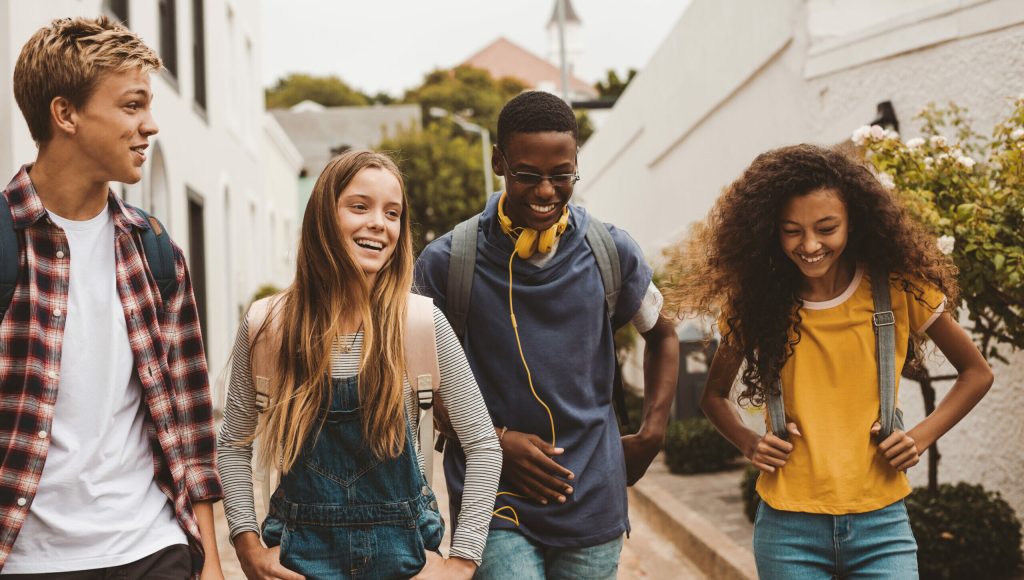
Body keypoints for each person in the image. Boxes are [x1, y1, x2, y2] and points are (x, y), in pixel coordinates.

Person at [665, 144, 993, 579]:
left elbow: (976, 373)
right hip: (788, 527)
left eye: (826, 228)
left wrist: (919, 437)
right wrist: (749, 443)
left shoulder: (898, 289)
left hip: (882, 522)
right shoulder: (757, 302)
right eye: (791, 231)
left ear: (853, 222)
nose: (811, 245)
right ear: (770, 230)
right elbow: (713, 397)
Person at [414, 91, 679, 580]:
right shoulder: (448, 262)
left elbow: (663, 336)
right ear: (499, 162)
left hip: (593, 501)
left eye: (562, 175)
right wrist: (494, 441)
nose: (545, 191)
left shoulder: (610, 250)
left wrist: (653, 432)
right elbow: (417, 384)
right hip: (492, 501)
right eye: (527, 175)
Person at [0, 16, 224, 579]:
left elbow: (192, 424)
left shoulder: (154, 251)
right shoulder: (6, 244)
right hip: (27, 560)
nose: (150, 126)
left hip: (152, 550)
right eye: (131, 105)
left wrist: (212, 566)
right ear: (65, 114)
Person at [217, 150, 502, 580]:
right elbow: (233, 445)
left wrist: (462, 562)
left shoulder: (420, 323)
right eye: (359, 206)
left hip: (405, 563)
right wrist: (248, 546)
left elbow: (483, 445)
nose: (379, 223)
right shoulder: (269, 326)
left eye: (393, 213)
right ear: (321, 217)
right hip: (300, 563)